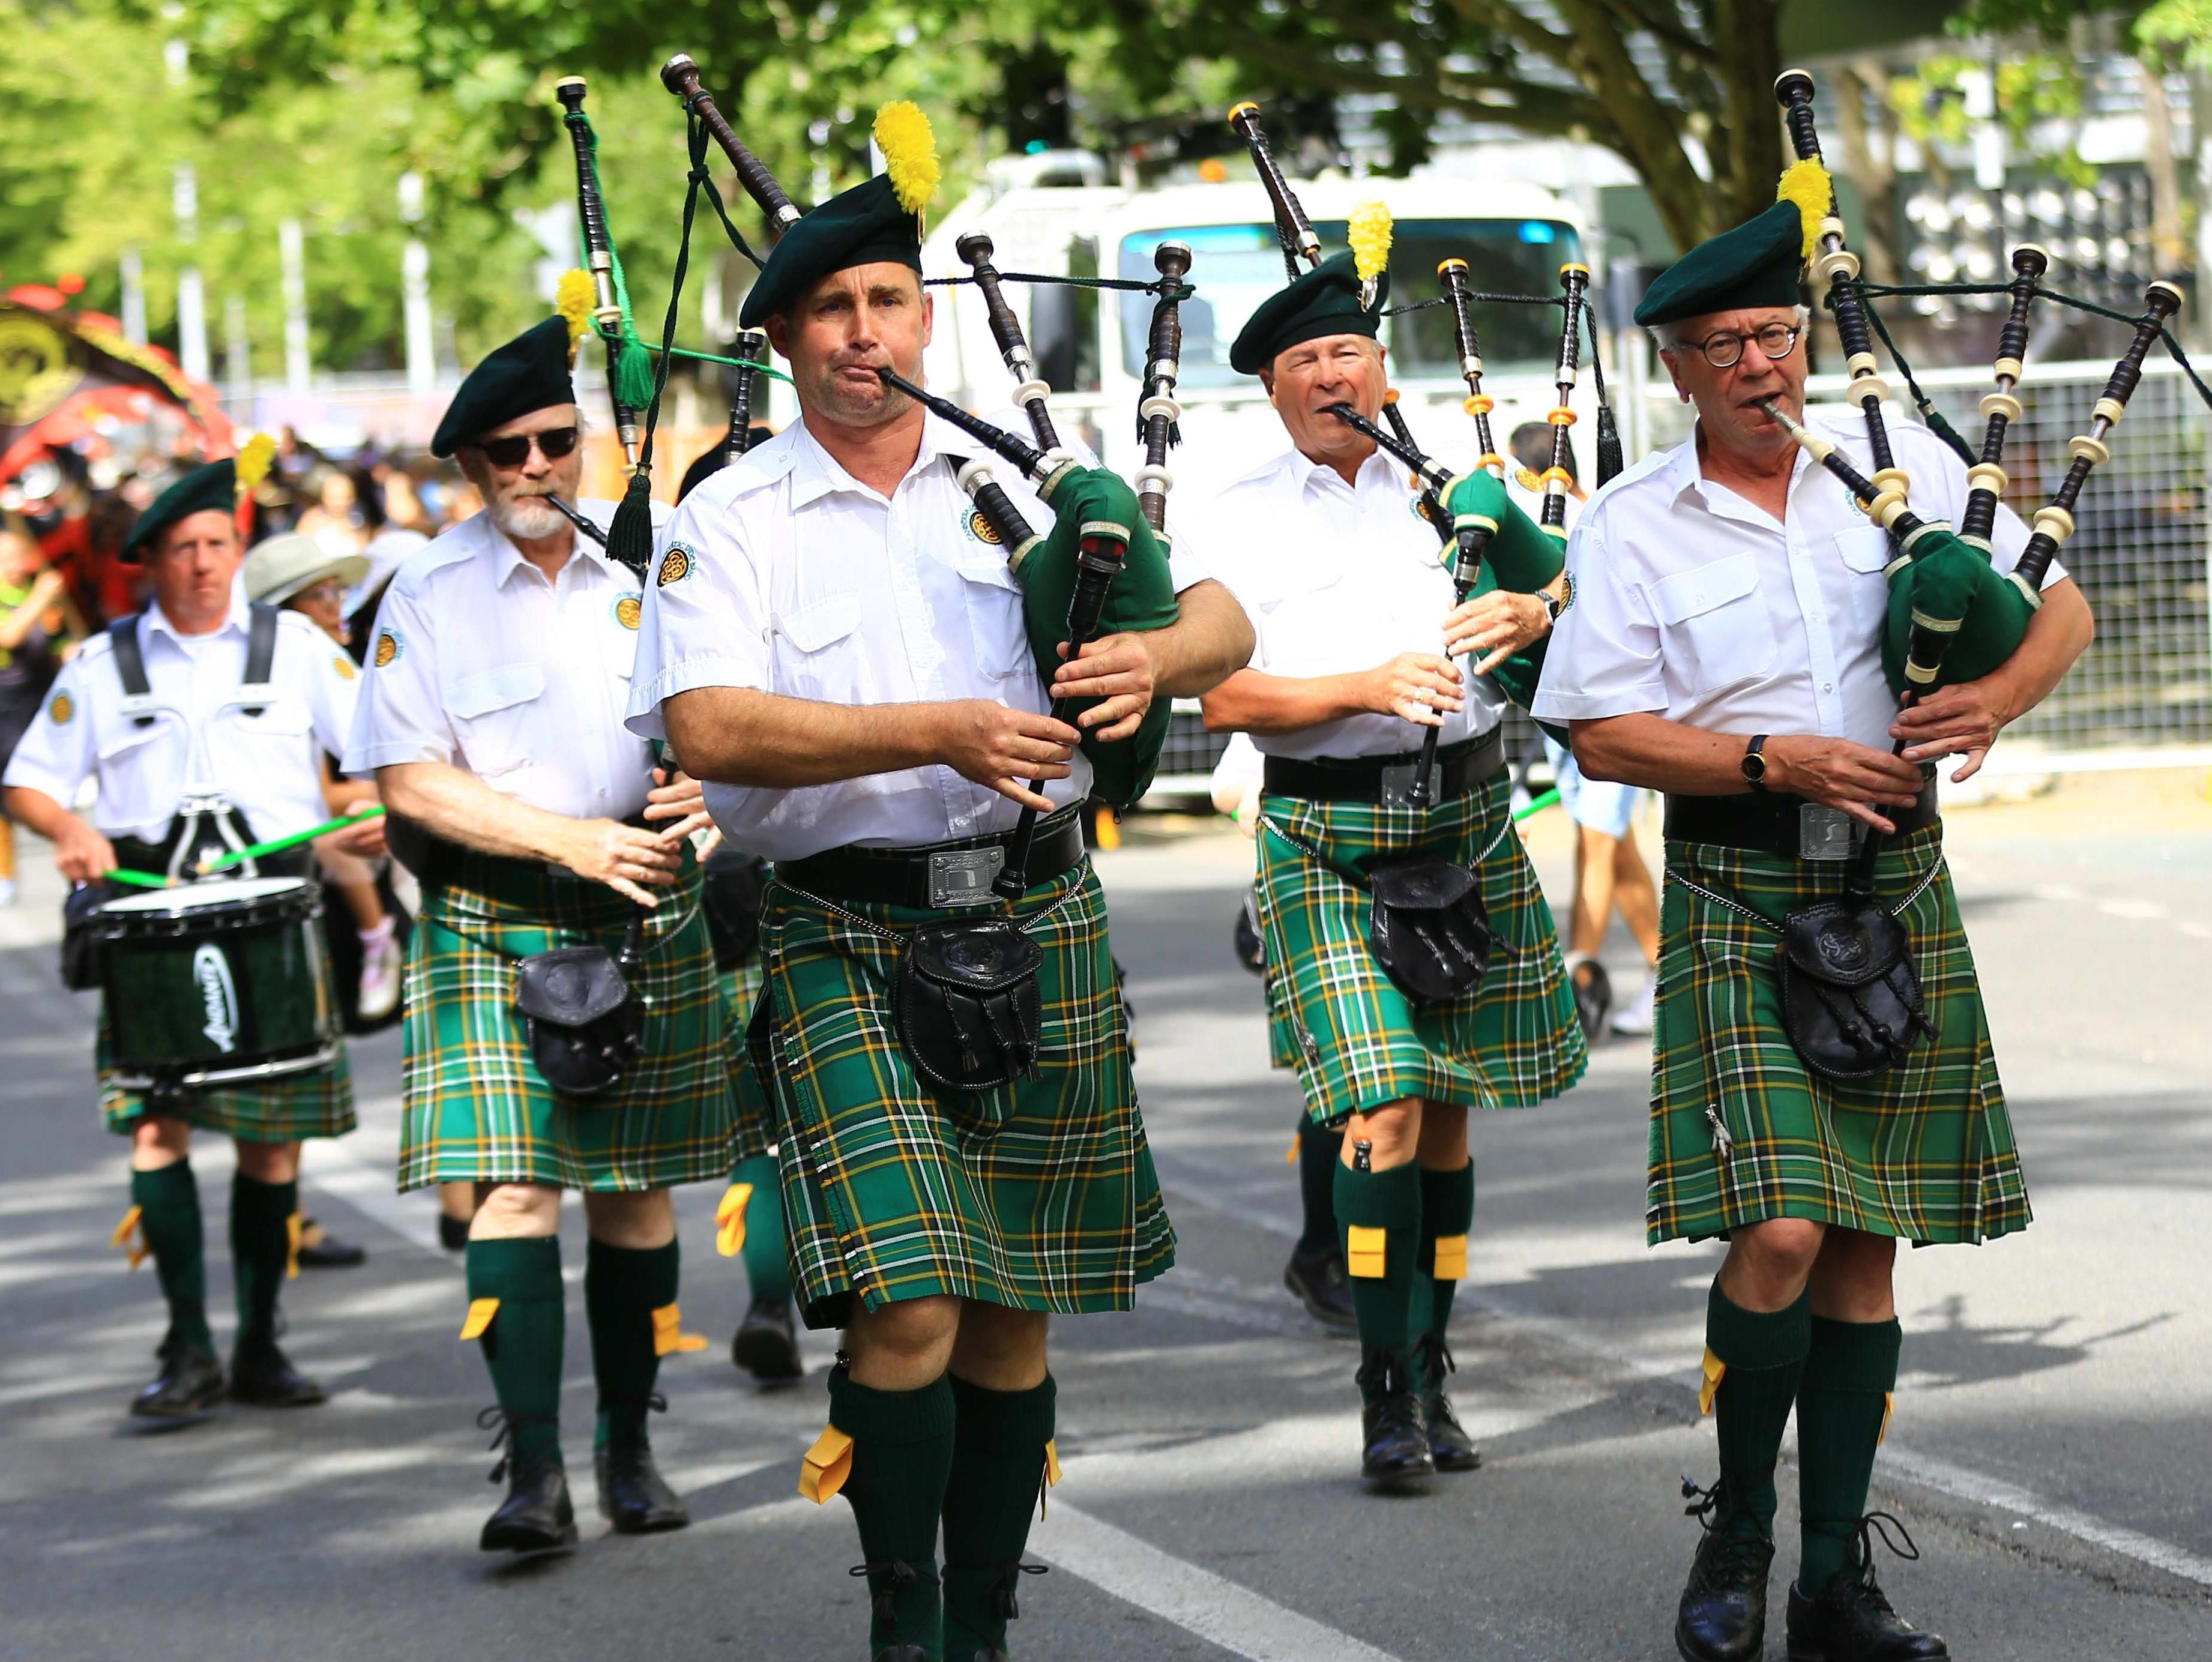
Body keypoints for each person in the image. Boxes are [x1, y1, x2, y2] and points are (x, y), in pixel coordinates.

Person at [628, 106, 1253, 1662]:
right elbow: (707, 727)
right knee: (908, 1299)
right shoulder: (730, 519)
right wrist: (934, 728)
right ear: (778, 336)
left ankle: (980, 1624)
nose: (863, 331)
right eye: (830, 308)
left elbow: (1229, 620)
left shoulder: (1030, 479)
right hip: (849, 927)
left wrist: (1151, 650)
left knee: (1013, 1303)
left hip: (1034, 912)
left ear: (924, 314)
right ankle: (901, 1617)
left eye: (886, 300)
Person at [1533, 195, 2094, 1662]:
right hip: (1737, 880)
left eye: (1776, 333)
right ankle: (1734, 1527)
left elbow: (2064, 612)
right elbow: (1598, 731)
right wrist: (1772, 758)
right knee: (1777, 1225)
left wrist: (1996, 699)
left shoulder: (1900, 481)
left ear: (1803, 342)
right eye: (1721, 344)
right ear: (1674, 367)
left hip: (1894, 878)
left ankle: (1837, 1579)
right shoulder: (1631, 522)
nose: (1759, 364)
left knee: (1862, 1244)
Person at [1192, 237, 1587, 1492]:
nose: (1332, 372)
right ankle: (1381, 1389)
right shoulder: (1230, 511)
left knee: (1452, 1124)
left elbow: (1573, 598)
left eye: (1348, 349)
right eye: (1305, 358)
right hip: (1323, 828)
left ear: (1383, 363)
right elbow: (1214, 695)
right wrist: (1362, 686)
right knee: (1382, 1112)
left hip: (1467, 823)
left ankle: (1430, 1363)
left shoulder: (1457, 489)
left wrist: (1539, 608)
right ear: (1271, 386)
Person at [345, 312, 740, 1553]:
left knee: (634, 1195)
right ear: (468, 465)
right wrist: (563, 838)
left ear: (581, 444)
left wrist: (707, 791)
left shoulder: (654, 565)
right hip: (499, 909)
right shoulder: (429, 591)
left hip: (644, 901)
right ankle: (530, 1469)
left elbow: (726, 720)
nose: (536, 466)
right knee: (514, 1193)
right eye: (508, 449)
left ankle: (629, 1445)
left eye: (556, 441)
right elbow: (406, 777)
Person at [3, 459, 372, 1418]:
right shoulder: (102, 663)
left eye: (219, 545)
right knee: (158, 1131)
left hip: (273, 916)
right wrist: (69, 829)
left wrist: (370, 808)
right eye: (185, 549)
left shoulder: (295, 645)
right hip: (150, 931)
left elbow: (378, 748)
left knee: (275, 1141)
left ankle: (259, 1341)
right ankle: (187, 1343)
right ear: (151, 563)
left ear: (237, 553)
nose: (206, 564)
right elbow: (30, 779)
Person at [1508, 421, 1663, 1040]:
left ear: (1550, 475)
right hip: (1561, 713)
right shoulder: (1550, 529)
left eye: (1521, 475)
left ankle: (1579, 977)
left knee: (1597, 841)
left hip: (1615, 712)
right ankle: (1665, 973)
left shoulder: (1599, 527)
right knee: (1613, 844)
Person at [1211, 730, 1354, 1328]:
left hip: (1418, 896)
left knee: (1416, 1094)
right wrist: (1255, 793)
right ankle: (1321, 1251)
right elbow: (1227, 784)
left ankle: (1403, 1261)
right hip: (1314, 897)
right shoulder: (1301, 650)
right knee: (1340, 1088)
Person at [243, 532, 404, 1025]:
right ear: (284, 614)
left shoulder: (347, 659)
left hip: (385, 824)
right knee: (331, 839)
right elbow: (318, 795)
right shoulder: (282, 673)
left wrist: (403, 795)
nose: (337, 607)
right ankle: (377, 937)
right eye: (322, 595)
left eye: (340, 593)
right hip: (304, 844)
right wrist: (392, 794)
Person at [1, 511, 84, 907]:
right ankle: (4, 872)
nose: (15, 564)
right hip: (3, 707)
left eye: (18, 556)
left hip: (37, 703)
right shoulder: (24, 597)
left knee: (52, 788)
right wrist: (41, 596)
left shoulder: (39, 594)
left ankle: (75, 857)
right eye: (6, 558)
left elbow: (60, 644)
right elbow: (10, 635)